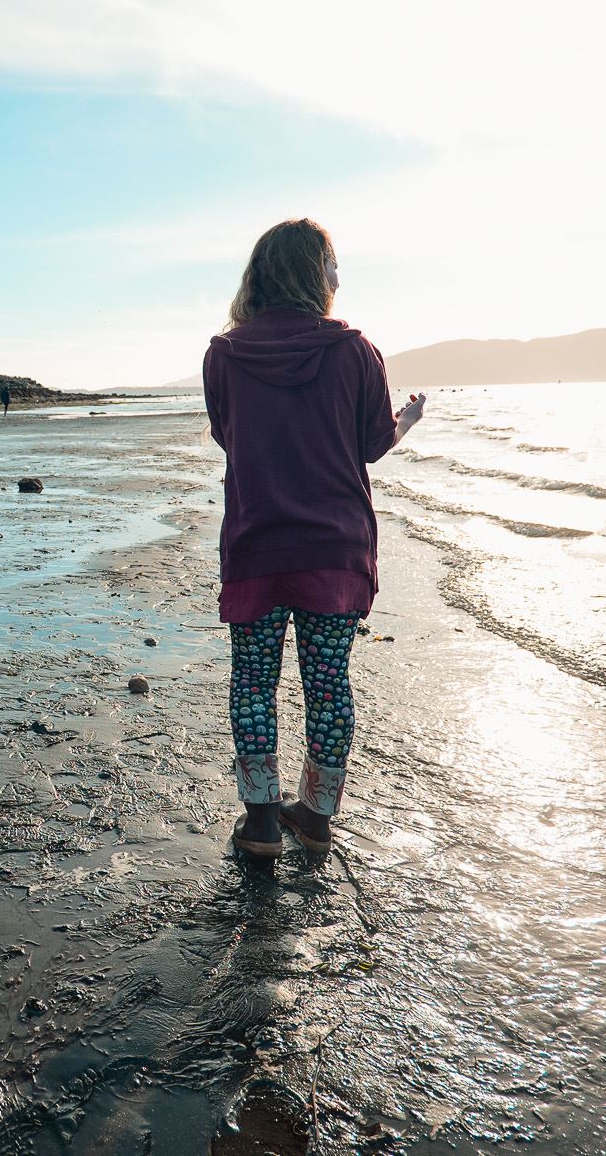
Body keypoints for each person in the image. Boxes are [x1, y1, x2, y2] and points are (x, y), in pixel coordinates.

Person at [202, 218, 424, 859]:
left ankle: (262, 821)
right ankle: (318, 814)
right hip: (333, 549)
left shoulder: (225, 355)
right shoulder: (355, 351)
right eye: (332, 265)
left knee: (252, 684)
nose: (337, 278)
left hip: (256, 544)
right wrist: (406, 417)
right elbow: (372, 445)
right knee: (328, 685)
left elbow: (228, 436)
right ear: (311, 274)